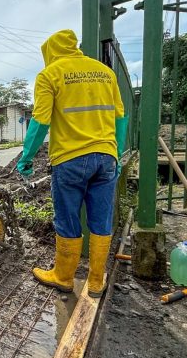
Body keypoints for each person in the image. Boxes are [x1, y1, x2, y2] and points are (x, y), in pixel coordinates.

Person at [17, 29, 128, 298]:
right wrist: (117, 153)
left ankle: (64, 277)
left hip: (70, 160)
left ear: (50, 51)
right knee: (101, 219)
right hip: (106, 158)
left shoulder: (50, 75)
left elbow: (40, 121)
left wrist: (27, 158)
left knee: (67, 218)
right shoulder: (105, 73)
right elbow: (120, 117)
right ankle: (96, 281)